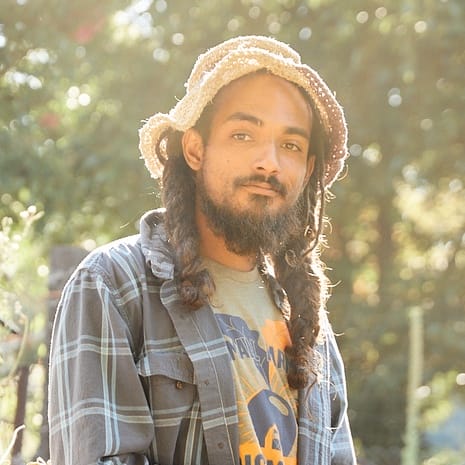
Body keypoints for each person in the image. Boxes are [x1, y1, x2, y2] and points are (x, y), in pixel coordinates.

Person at [48, 35, 357, 465]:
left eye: (290, 145)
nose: (269, 162)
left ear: (306, 171)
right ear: (195, 149)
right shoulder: (114, 286)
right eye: (243, 134)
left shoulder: (308, 325)